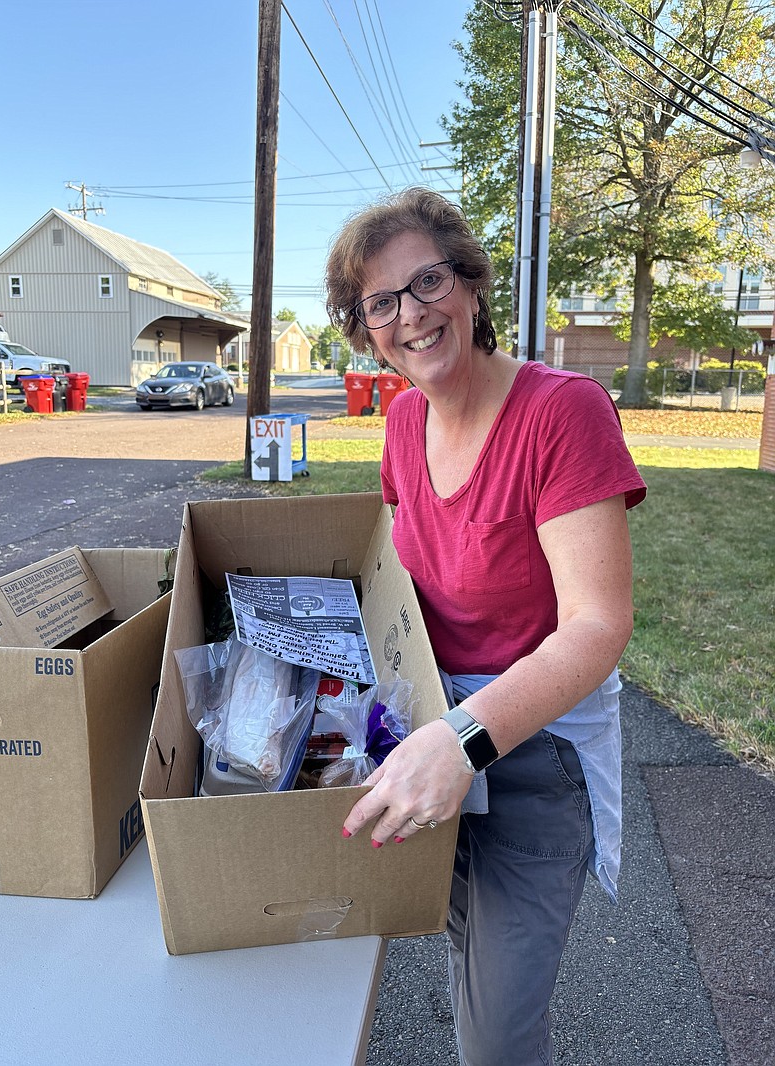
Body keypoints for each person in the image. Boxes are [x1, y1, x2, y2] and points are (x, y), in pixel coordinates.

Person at [325, 187, 647, 1066]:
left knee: (497, 1034)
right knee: (462, 940)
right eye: (380, 303)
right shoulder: (400, 422)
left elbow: (597, 625)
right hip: (430, 727)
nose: (411, 315)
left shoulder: (562, 412)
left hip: (530, 747)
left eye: (428, 282)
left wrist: (461, 742)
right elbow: (400, 575)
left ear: (470, 285)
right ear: (363, 326)